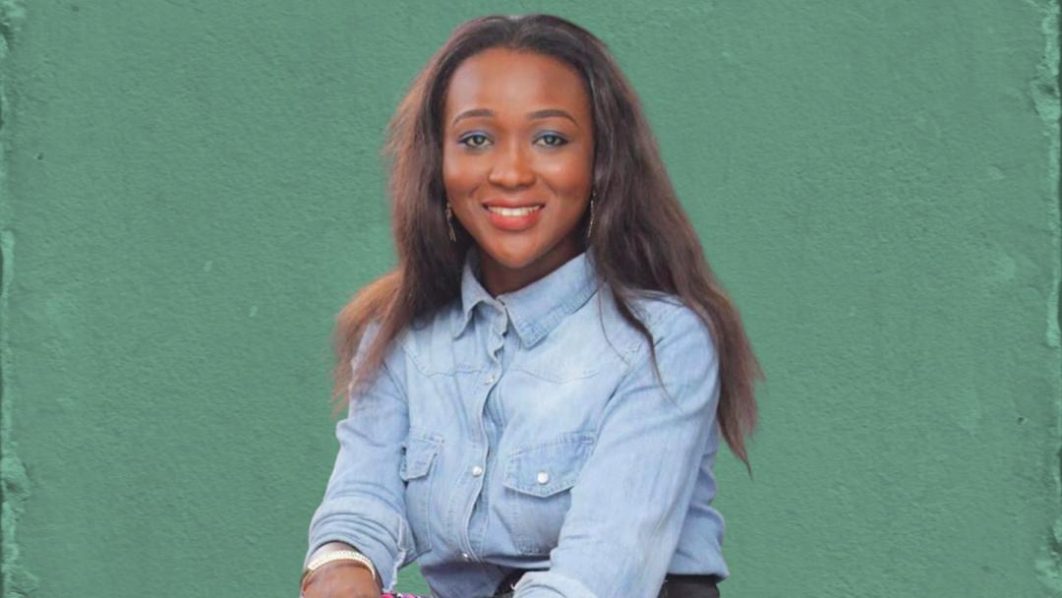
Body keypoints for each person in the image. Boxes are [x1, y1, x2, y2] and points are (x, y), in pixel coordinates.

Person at [299, 13, 761, 598]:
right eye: (476, 139)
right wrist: (339, 569)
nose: (511, 173)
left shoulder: (663, 342)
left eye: (550, 139)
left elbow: (601, 574)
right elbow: (361, 504)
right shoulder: (397, 333)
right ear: (437, 164)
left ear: (601, 162)